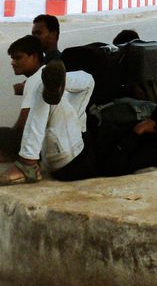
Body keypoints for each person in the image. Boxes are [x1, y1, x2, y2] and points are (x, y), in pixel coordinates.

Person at [0, 36, 94, 185]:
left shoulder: (35, 83)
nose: (13, 62)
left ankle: (27, 164)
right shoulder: (39, 79)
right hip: (72, 149)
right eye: (12, 59)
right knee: (87, 80)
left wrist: (5, 145)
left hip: (64, 160)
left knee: (44, 88)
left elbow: (21, 130)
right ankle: (62, 84)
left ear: (35, 57)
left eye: (18, 58)